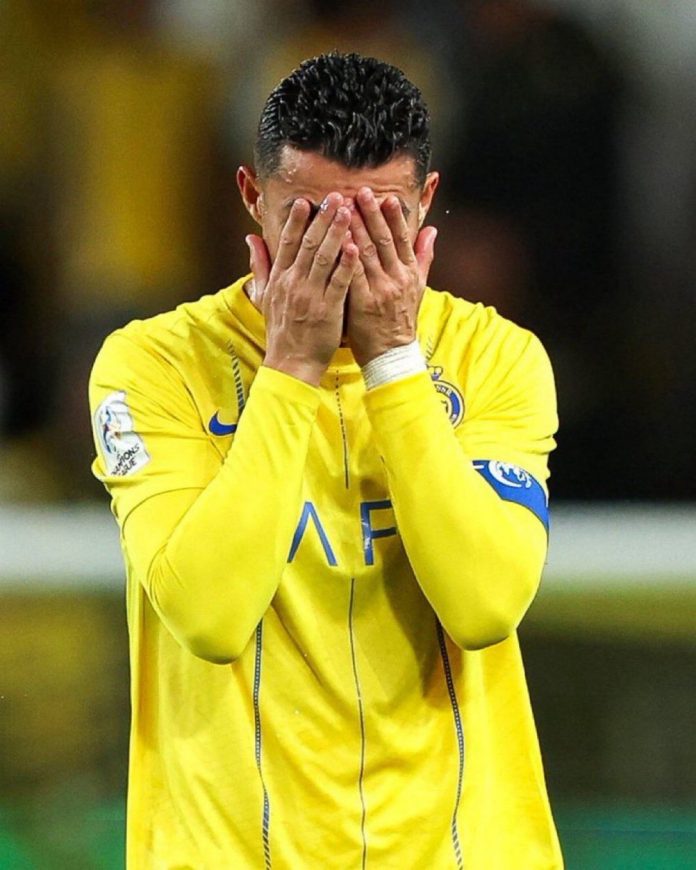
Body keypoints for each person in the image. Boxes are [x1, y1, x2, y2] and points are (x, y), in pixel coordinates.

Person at [89, 52, 562, 869]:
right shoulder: (151, 365)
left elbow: (485, 607)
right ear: (251, 197)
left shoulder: (496, 359)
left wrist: (394, 366)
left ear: (427, 205)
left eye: (380, 220)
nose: (344, 251)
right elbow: (207, 615)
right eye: (308, 219)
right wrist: (292, 370)